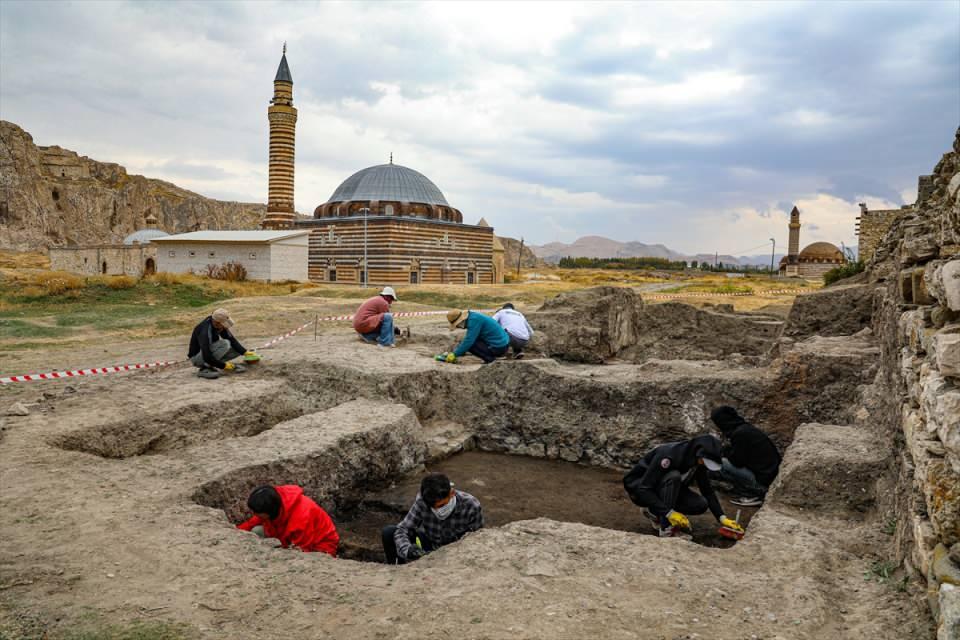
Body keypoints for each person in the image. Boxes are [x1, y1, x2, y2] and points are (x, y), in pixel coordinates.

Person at [623, 435, 744, 538]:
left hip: (664, 489)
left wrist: (722, 517)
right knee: (673, 476)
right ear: (698, 453)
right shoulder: (668, 455)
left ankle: (654, 512)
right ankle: (666, 529)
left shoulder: (697, 462)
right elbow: (644, 488)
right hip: (640, 490)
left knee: (700, 504)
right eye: (705, 461)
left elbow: (707, 491)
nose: (705, 465)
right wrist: (670, 513)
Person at [381, 473, 484, 564]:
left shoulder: (471, 506)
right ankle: (398, 569)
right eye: (432, 507)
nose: (437, 510)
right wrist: (408, 550)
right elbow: (402, 529)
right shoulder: (422, 501)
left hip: (457, 551)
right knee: (389, 532)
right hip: (429, 545)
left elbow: (477, 539)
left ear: (451, 493)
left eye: (441, 505)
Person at [237, 485, 339, 557]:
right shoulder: (274, 499)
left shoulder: (301, 519)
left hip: (320, 546)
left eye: (257, 512)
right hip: (286, 535)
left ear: (270, 512)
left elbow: (303, 550)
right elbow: (254, 521)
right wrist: (237, 532)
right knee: (256, 531)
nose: (255, 514)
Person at [710, 406, 782, 507]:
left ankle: (753, 493)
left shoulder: (740, 434)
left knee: (719, 463)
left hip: (763, 482)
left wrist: (723, 451)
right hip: (770, 476)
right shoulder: (745, 428)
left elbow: (737, 462)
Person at [188, 308, 256, 379]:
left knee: (237, 350)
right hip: (197, 358)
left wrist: (245, 352)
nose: (225, 327)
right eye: (224, 324)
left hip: (208, 353)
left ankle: (213, 364)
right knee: (225, 344)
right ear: (217, 323)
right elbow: (206, 354)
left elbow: (231, 339)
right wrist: (223, 366)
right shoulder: (204, 331)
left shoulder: (217, 324)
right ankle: (204, 369)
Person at [445, 309, 510, 364]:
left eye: (457, 325)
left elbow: (469, 341)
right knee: (471, 341)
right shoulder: (473, 316)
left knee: (470, 345)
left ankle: (490, 359)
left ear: (461, 321)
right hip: (503, 344)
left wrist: (455, 354)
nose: (458, 327)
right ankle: (492, 355)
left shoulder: (474, 321)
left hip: (500, 347)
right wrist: (458, 352)